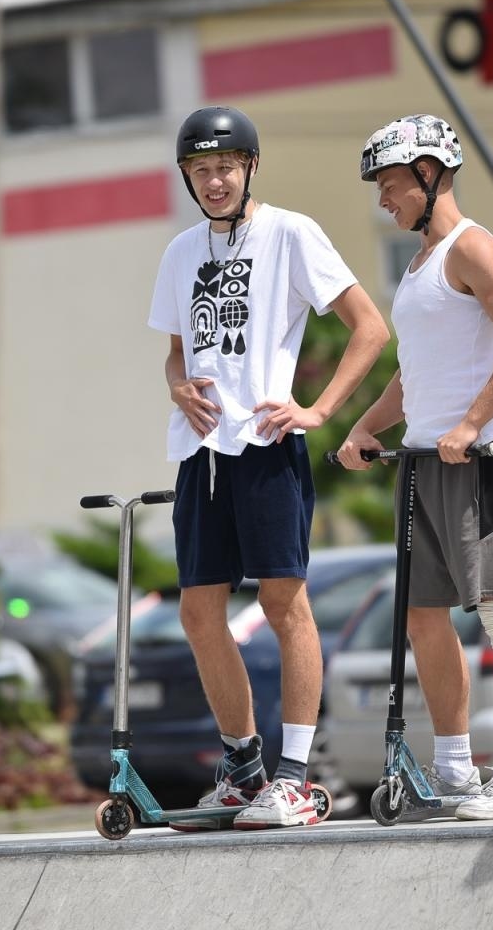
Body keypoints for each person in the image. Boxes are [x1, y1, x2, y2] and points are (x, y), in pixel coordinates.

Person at [149, 105, 388, 829]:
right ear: (188, 177)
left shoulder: (291, 232)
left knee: (285, 605)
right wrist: (176, 385)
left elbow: (369, 328)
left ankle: (294, 777)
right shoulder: (181, 251)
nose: (214, 180)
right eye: (200, 170)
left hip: (265, 446)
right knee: (198, 612)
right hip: (202, 453)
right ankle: (244, 765)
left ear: (251, 166)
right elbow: (174, 350)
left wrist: (317, 411)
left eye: (225, 166)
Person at [336, 114, 493, 820]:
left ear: (429, 175)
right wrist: (364, 428)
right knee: (424, 618)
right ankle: (457, 769)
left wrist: (469, 423)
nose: (383, 200)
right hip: (425, 461)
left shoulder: (474, 248)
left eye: (392, 185)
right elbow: (414, 373)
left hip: (479, 456)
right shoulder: (420, 264)